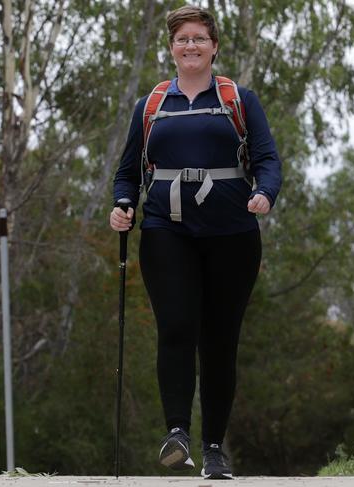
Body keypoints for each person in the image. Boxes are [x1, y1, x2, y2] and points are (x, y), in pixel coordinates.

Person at [109, 4, 282, 480]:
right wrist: (123, 204)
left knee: (220, 342)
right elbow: (128, 173)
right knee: (177, 328)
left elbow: (267, 159)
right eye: (182, 39)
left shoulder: (238, 99)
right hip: (168, 230)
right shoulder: (152, 105)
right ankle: (177, 434)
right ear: (172, 48)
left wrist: (264, 194)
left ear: (214, 46)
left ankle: (213, 449)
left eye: (199, 39)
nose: (190, 46)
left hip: (233, 235)